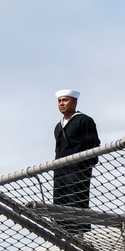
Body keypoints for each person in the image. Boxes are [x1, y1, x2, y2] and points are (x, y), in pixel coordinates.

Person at [52, 89, 100, 234]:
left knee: (77, 203)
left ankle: (81, 235)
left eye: (65, 100)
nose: (61, 103)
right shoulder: (58, 126)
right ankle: (61, 236)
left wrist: (86, 167)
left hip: (78, 169)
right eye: (59, 101)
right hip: (60, 172)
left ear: (74, 102)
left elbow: (93, 145)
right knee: (59, 205)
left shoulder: (84, 120)